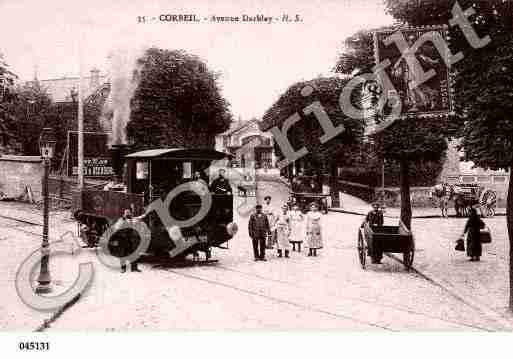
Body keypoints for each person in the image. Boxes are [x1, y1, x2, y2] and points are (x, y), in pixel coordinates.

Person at [112, 209, 142, 273]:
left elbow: (137, 220)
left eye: (129, 214)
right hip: (122, 240)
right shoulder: (121, 220)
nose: (128, 215)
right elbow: (116, 228)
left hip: (129, 239)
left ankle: (134, 268)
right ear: (125, 214)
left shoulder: (131, 220)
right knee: (123, 255)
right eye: (127, 214)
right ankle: (123, 268)